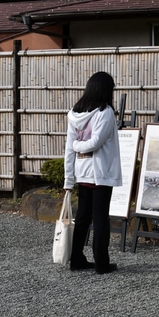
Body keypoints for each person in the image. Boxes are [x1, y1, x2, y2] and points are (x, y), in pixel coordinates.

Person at [63, 71, 122, 274]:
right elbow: (96, 142)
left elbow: (69, 147)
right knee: (100, 218)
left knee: (82, 218)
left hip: (82, 172)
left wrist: (68, 179)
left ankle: (77, 259)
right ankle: (101, 263)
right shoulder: (104, 113)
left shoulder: (75, 112)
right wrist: (80, 145)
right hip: (100, 173)